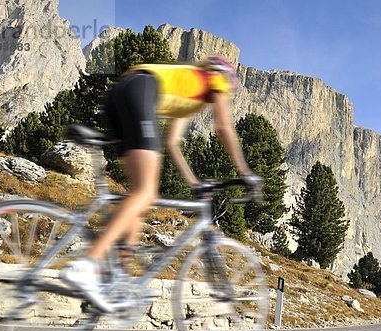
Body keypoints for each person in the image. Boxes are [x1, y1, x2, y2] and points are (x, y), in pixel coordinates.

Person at [63, 56, 262, 313]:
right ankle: (88, 264)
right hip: (141, 90)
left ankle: (116, 280)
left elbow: (172, 144)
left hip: (123, 92)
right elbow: (223, 125)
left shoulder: (189, 91)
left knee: (140, 200)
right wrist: (245, 171)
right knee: (147, 193)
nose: (226, 96)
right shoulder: (215, 78)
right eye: (228, 92)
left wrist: (194, 182)